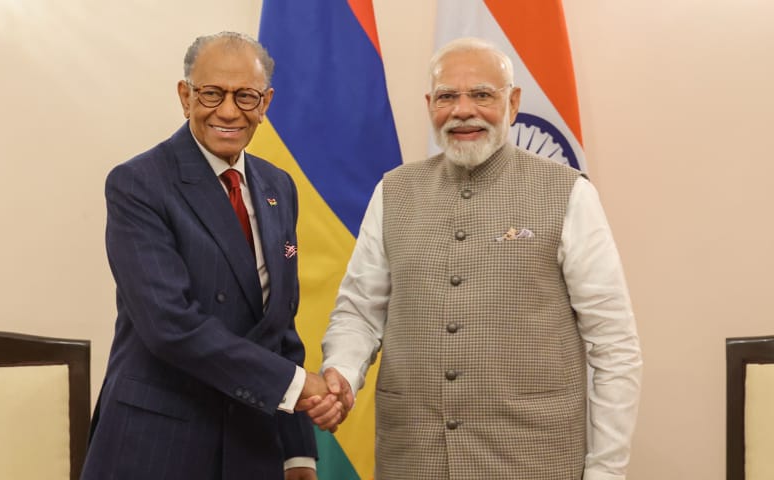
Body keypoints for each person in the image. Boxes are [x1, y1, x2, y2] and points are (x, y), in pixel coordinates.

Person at [308, 37, 643, 480]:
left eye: (482, 94)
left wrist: (606, 471)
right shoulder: (393, 191)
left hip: (533, 461)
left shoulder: (568, 193)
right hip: (412, 459)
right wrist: (342, 378)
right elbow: (359, 311)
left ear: (513, 102)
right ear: (430, 105)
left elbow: (614, 346)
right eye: (447, 96)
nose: (463, 110)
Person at [81, 32, 342, 480]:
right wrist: (296, 386)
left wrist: (297, 451)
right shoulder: (138, 184)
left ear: (266, 103)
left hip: (251, 445)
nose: (227, 111)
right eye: (211, 93)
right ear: (185, 97)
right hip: (159, 445)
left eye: (245, 96)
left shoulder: (279, 187)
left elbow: (279, 325)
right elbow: (169, 326)